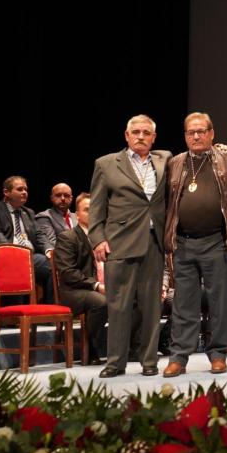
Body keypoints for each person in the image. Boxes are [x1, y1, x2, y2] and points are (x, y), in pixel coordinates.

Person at [90, 114, 170, 378]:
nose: (140, 136)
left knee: (152, 308)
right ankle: (115, 362)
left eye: (146, 133)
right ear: (127, 135)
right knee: (119, 307)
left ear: (153, 137)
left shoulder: (165, 160)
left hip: (153, 242)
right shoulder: (106, 164)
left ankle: (149, 362)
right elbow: (97, 206)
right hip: (119, 242)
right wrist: (97, 238)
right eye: (136, 132)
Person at [162, 112, 227, 377]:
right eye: (191, 132)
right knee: (183, 303)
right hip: (184, 242)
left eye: (201, 131)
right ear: (185, 135)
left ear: (211, 133)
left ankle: (218, 355)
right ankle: (178, 357)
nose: (196, 136)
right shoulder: (175, 163)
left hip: (216, 241)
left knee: (219, 301)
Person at [53, 192, 107, 364]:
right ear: (77, 215)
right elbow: (68, 272)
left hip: (104, 286)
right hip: (75, 291)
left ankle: (132, 348)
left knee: (135, 296)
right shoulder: (68, 237)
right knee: (100, 301)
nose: (93, 213)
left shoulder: (107, 237)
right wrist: (96, 285)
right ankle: (91, 348)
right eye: (87, 210)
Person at [0, 175, 53, 303]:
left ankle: (50, 308)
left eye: (26, 189)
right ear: (6, 192)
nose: (24, 192)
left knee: (52, 262)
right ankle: (16, 312)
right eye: (20, 189)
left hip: (32, 257)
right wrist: (15, 253)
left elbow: (39, 234)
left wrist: (48, 249)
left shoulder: (28, 212)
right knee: (24, 264)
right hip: (8, 256)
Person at [36, 183, 78, 251]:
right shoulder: (44, 216)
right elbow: (52, 243)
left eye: (66, 195)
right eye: (58, 195)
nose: (63, 198)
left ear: (71, 198)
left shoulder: (78, 216)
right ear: (52, 198)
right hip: (62, 254)